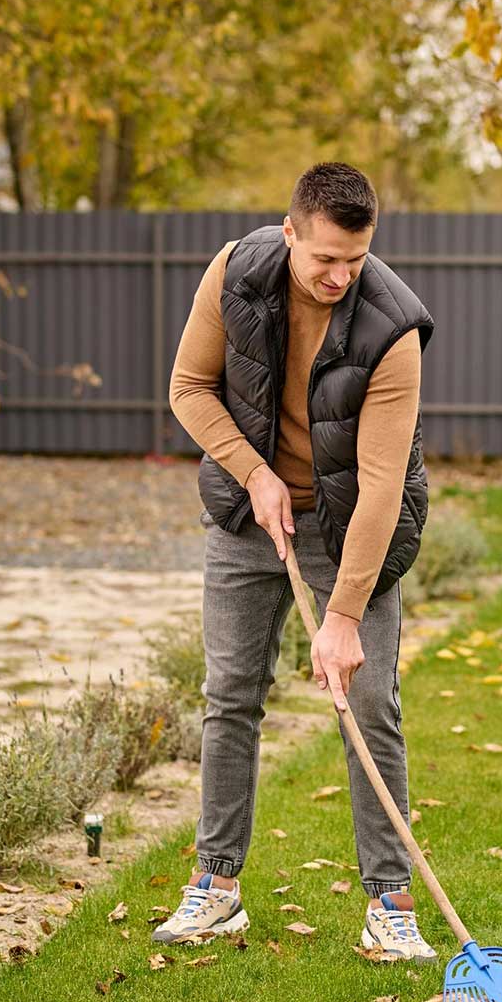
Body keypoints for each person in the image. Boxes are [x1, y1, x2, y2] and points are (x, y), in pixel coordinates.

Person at [158, 162, 436, 960]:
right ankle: (216, 888)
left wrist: (343, 615)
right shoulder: (235, 272)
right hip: (250, 511)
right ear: (289, 234)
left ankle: (391, 905)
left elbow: (383, 484)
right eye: (325, 260)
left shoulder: (392, 329)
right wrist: (255, 474)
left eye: (356, 259)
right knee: (231, 693)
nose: (340, 276)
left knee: (370, 703)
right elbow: (188, 387)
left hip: (352, 522)